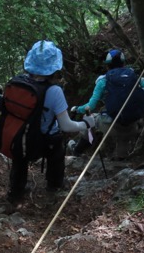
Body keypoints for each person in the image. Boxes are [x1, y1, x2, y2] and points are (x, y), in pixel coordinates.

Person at [7, 40, 95, 205]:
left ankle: (15, 192)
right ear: (55, 67)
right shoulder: (54, 91)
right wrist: (86, 124)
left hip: (19, 138)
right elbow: (66, 126)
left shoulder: (15, 83)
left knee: (20, 157)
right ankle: (54, 185)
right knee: (57, 144)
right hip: (43, 142)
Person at [71, 49, 144, 159]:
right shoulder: (134, 77)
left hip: (112, 126)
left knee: (89, 119)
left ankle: (78, 151)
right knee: (124, 125)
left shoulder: (103, 81)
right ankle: (121, 157)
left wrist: (77, 109)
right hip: (133, 125)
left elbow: (90, 106)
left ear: (107, 65)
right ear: (123, 63)